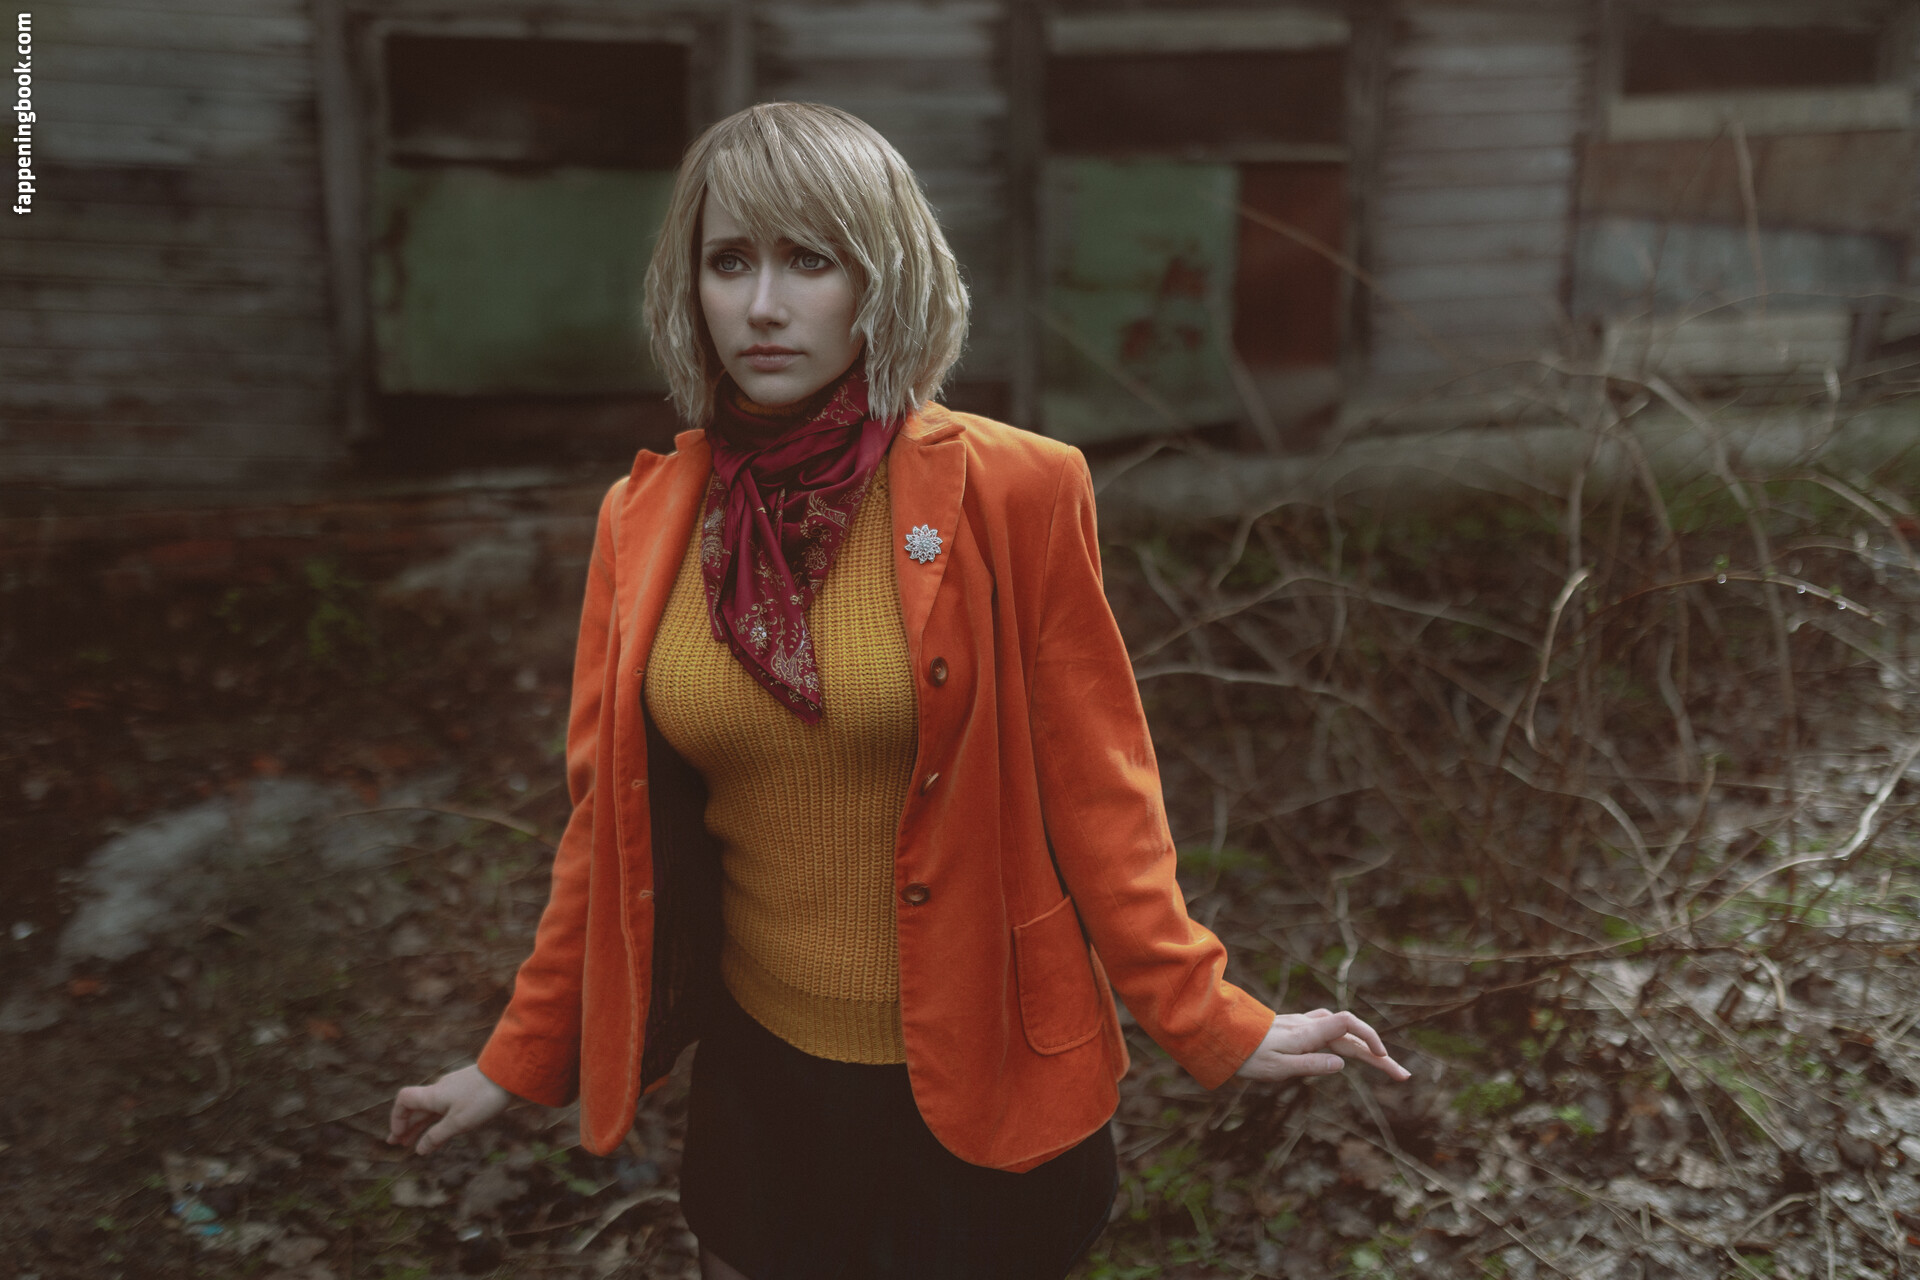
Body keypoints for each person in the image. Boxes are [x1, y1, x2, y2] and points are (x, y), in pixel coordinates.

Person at [387, 101, 1410, 1280]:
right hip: (764, 1087)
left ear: (882, 276)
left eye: (809, 259)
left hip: (985, 1079)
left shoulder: (1018, 489)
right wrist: (515, 1057)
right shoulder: (643, 519)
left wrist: (1210, 1013)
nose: (763, 305)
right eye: (731, 261)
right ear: (691, 284)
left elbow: (1103, 793)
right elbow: (604, 833)